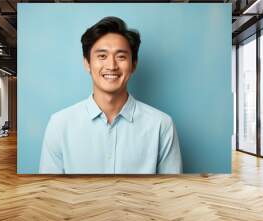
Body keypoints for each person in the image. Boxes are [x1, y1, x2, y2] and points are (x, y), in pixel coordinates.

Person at [39, 16, 182, 174]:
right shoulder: (60, 124)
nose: (112, 65)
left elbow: (171, 194)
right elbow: (49, 194)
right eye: (102, 56)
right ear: (87, 63)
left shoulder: (161, 125)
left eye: (121, 57)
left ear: (134, 64)